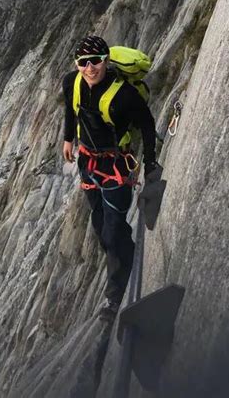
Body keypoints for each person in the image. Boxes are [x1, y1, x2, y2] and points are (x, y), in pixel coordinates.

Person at [62, 35, 158, 315]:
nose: (90, 68)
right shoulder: (72, 82)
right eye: (84, 62)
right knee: (100, 225)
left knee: (112, 229)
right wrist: (68, 139)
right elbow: (71, 110)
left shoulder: (124, 95)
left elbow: (148, 125)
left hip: (116, 166)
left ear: (106, 60)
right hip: (88, 163)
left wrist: (150, 162)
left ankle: (114, 295)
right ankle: (126, 253)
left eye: (96, 61)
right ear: (77, 64)